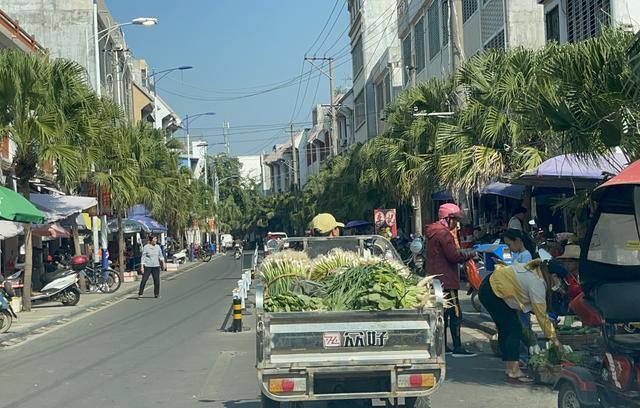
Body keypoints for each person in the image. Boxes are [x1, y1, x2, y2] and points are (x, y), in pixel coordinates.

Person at [479, 258, 564, 383]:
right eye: (560, 280)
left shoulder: (537, 272)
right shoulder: (537, 283)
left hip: (492, 288)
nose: (560, 283)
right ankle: (513, 369)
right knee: (514, 330)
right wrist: (554, 339)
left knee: (506, 328)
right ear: (554, 276)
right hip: (493, 292)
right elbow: (542, 316)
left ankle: (510, 365)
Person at [425, 203, 476, 357]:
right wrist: (469, 254)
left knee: (442, 314)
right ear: (449, 219)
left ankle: (444, 346)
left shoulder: (433, 232)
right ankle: (458, 347)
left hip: (436, 280)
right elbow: (453, 256)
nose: (456, 224)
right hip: (447, 279)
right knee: (455, 314)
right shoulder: (444, 234)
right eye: (455, 220)